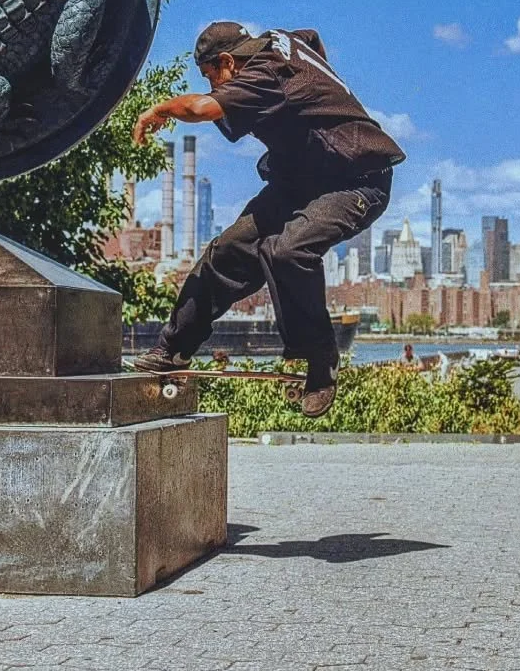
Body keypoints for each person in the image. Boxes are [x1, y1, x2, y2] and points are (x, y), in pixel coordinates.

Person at [130, 22, 404, 417]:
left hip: (358, 181)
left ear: (228, 61)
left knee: (288, 251)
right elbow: (311, 38)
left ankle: (320, 359)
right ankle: (172, 349)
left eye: (212, 77)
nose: (215, 89)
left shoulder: (264, 72)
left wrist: (159, 109)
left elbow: (201, 108)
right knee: (226, 251)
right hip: (300, 182)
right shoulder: (282, 41)